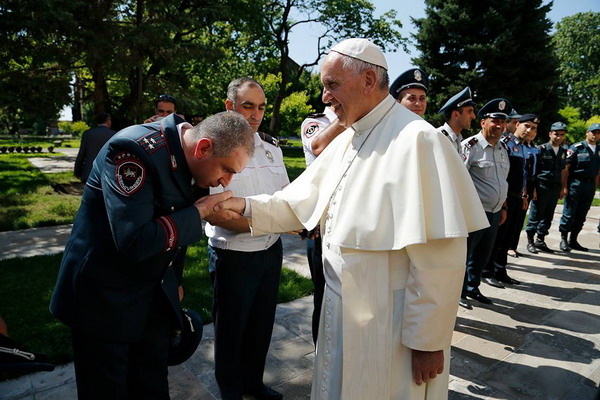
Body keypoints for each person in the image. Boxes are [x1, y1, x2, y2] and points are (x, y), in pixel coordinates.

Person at [214, 38, 488, 400]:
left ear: (368, 80)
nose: (325, 97)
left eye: (332, 85)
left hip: (391, 322)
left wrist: (428, 341)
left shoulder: (418, 140)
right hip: (342, 308)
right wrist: (243, 206)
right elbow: (297, 202)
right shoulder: (348, 137)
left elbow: (441, 255)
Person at [49, 111, 255, 400]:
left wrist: (176, 279)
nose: (226, 181)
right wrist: (198, 213)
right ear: (204, 147)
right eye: (226, 169)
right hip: (104, 300)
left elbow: (173, 228)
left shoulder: (190, 155)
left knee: (152, 387)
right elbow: (133, 240)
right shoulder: (132, 151)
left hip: (152, 295)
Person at [205, 77, 289, 400]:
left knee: (261, 324)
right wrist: (271, 223)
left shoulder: (271, 148)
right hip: (234, 255)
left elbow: (285, 196)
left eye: (261, 107)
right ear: (230, 107)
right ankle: (231, 390)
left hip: (270, 252)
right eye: (248, 106)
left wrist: (281, 221)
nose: (256, 115)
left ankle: (253, 382)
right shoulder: (213, 149)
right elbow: (216, 213)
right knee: (230, 329)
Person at [459, 99, 511, 309]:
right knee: (465, 254)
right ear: (483, 122)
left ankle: (473, 287)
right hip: (473, 212)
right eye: (494, 121)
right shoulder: (470, 146)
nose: (499, 126)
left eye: (502, 122)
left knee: (482, 255)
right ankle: (459, 292)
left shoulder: (502, 148)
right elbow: (458, 179)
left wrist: (504, 206)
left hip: (495, 211)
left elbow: (502, 180)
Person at [300, 107, 346, 345]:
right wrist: (347, 116)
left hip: (349, 225)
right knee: (325, 295)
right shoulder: (316, 122)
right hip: (322, 225)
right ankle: (322, 355)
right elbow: (319, 147)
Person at [484, 114, 539, 286]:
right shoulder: (505, 144)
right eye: (526, 126)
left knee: (508, 237)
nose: (529, 131)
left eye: (534, 128)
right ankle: (486, 271)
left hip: (517, 196)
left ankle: (500, 269)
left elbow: (524, 175)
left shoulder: (526, 148)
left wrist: (524, 194)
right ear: (517, 125)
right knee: (496, 236)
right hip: (503, 196)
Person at [525, 122, 568, 253]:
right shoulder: (541, 149)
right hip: (542, 186)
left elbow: (563, 170)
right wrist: (534, 190)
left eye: (561, 135)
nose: (558, 137)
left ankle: (540, 240)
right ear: (550, 134)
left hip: (554, 188)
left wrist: (562, 188)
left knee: (548, 216)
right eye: (556, 134)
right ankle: (530, 241)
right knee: (536, 214)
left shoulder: (563, 151)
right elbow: (534, 171)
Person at [558, 123, 600, 252]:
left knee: (582, 214)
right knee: (569, 213)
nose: (595, 135)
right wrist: (564, 187)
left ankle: (573, 240)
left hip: (589, 185)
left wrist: (595, 187)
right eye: (593, 132)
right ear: (587, 132)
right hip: (576, 184)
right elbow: (567, 168)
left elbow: (598, 171)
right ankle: (563, 239)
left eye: (598, 133)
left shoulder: (599, 150)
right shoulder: (577, 148)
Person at [73, 112, 116, 183]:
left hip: (89, 173)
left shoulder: (87, 134)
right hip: (108, 174)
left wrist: (77, 171)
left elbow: (81, 154)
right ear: (108, 121)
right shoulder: (114, 134)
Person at [437, 87, 477, 153]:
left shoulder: (457, 139)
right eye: (469, 112)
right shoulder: (438, 138)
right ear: (455, 114)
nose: (473, 117)